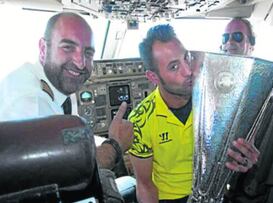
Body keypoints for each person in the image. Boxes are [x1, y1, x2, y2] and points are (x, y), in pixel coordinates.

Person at [128, 24, 259, 203]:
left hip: (211, 191)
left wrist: (244, 158)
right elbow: (145, 185)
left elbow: (229, 154)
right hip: (168, 198)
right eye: (174, 67)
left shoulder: (215, 101)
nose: (188, 71)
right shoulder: (140, 121)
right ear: (153, 77)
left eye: (186, 58)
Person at [0, 12, 133, 170]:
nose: (81, 63)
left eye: (88, 53)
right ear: (43, 48)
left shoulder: (47, 83)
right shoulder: (31, 103)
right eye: (68, 47)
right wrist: (115, 145)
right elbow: (68, 173)